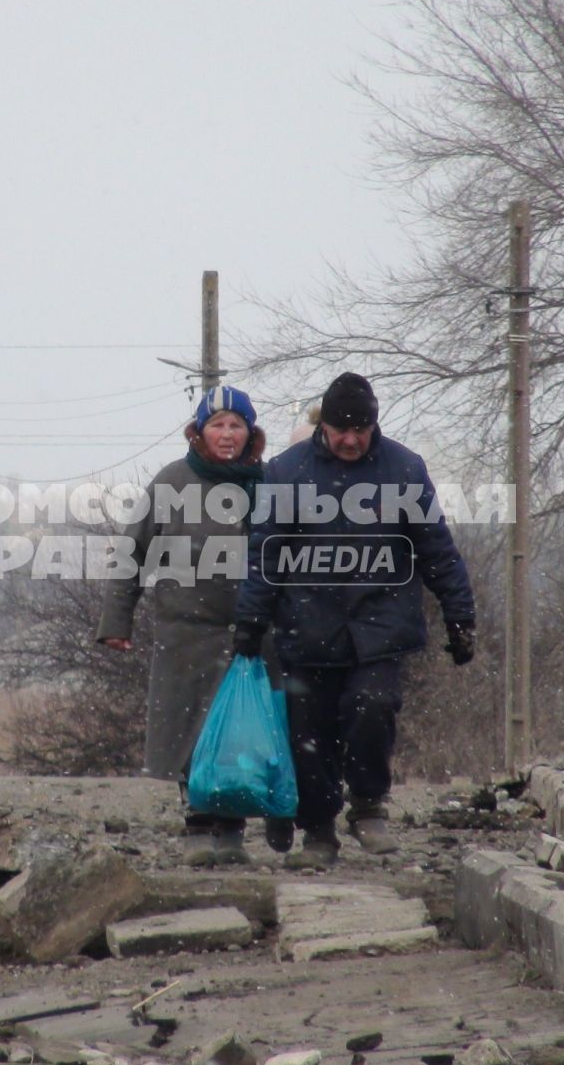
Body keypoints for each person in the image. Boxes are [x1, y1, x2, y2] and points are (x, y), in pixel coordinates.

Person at [233, 372, 475, 870]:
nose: (349, 439)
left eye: (359, 429)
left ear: (374, 424)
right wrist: (251, 621)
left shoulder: (404, 469)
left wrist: (460, 615)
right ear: (323, 426)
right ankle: (318, 831)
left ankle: (368, 805)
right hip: (307, 623)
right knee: (310, 730)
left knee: (374, 705)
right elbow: (266, 554)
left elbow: (436, 548)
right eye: (340, 429)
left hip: (379, 624)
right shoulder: (287, 472)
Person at [96, 385, 275, 867]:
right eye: (217, 424)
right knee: (189, 730)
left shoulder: (268, 485)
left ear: (250, 434)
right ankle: (198, 822)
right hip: (186, 631)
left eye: (236, 425)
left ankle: (233, 826)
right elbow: (132, 553)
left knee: (238, 732)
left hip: (251, 633)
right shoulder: (172, 482)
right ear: (199, 432)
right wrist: (117, 619)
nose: (227, 434)